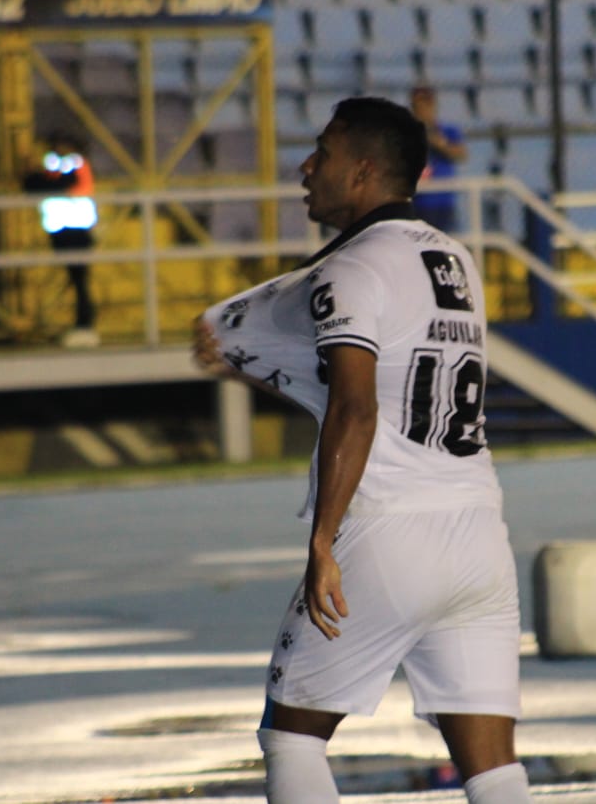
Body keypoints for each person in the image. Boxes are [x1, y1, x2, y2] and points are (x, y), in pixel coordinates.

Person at [193, 97, 530, 803]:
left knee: (292, 735)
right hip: (477, 534)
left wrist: (323, 540)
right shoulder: (456, 258)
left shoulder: (350, 270)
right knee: (492, 765)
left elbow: (355, 404)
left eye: (323, 150)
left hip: (386, 530)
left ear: (364, 171)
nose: (306, 165)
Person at [23, 133, 99, 348]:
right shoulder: (54, 166)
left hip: (77, 231)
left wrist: (37, 174)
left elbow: (60, 184)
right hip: (60, 231)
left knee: (80, 282)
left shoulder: (74, 164)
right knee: (74, 281)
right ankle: (78, 323)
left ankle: (84, 323)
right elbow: (32, 185)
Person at [409, 85, 468, 232]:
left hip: (443, 204)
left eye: (426, 105)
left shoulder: (448, 131)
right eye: (418, 107)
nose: (422, 111)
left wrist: (439, 144)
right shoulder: (407, 134)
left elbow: (461, 154)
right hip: (417, 203)